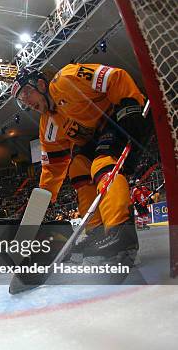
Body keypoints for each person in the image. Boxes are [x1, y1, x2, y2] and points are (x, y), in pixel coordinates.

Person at [11, 63, 152, 265]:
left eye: (27, 94)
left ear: (41, 84)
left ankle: (120, 231)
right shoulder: (48, 125)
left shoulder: (66, 79)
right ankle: (97, 232)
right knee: (78, 168)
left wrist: (130, 105)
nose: (27, 103)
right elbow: (52, 169)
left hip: (123, 119)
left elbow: (115, 77)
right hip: (98, 139)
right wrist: (36, 210)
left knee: (100, 164)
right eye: (22, 100)